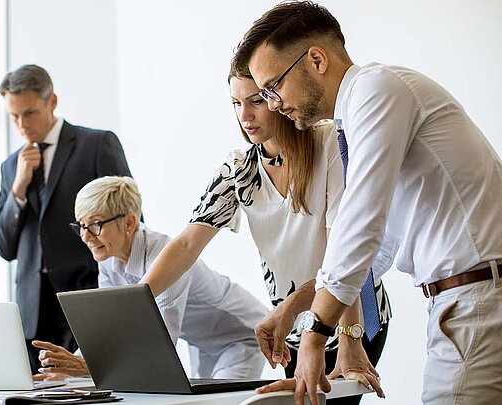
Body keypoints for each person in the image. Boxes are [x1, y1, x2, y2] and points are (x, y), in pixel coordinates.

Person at [231, 2, 502, 404]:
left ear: (316, 60)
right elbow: (374, 254)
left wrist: (314, 335)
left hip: (474, 299)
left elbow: (360, 226)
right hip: (464, 301)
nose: (272, 105)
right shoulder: (361, 113)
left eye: (273, 87)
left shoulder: (376, 90)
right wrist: (296, 305)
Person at [139, 67, 390, 404]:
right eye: (236, 103)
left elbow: (344, 253)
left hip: (348, 316)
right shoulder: (239, 168)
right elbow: (186, 244)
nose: (245, 115)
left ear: (277, 96)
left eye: (255, 100)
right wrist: (136, 304)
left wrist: (350, 340)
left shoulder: (329, 143)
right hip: (290, 326)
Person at [33, 176, 267, 380]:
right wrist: (66, 368)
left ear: (129, 223)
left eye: (94, 225)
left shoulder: (164, 257)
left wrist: (88, 368)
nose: (86, 237)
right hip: (203, 343)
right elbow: (109, 326)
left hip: (241, 336)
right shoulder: (107, 257)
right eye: (81, 226)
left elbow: (158, 348)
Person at [0, 65, 135, 373]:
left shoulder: (96, 144)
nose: (21, 125)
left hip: (88, 296)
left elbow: (130, 221)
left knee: (91, 388)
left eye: (29, 113)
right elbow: (5, 248)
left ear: (52, 101)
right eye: (14, 116)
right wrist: (18, 188)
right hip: (33, 311)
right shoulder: (10, 167)